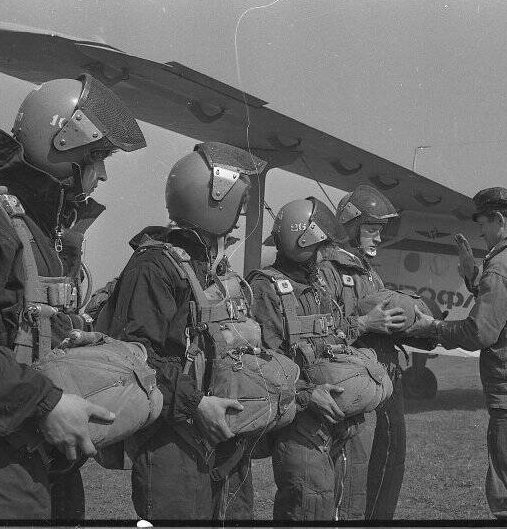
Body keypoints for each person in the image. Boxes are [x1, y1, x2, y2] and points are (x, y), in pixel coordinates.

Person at [0, 74, 146, 520]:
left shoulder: (37, 228)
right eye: (97, 157)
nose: (102, 173)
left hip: (41, 448)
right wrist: (45, 402)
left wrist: (70, 338)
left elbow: (15, 328)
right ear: (63, 143)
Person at [94, 142, 264, 520]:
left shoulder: (209, 269)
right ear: (216, 198)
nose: (241, 213)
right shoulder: (154, 267)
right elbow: (136, 357)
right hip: (175, 438)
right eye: (239, 201)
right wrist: (197, 403)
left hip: (221, 434)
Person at [406, 186, 507, 520]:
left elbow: (480, 332)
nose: (480, 231)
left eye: (483, 223)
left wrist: (432, 328)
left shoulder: (504, 263)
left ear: (500, 220)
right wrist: (472, 275)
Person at [248, 197, 375, 521]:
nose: (325, 256)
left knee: (348, 509)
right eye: (320, 247)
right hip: (300, 426)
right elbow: (264, 365)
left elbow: (333, 335)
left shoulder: (318, 286)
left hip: (338, 424)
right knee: (308, 509)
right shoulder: (266, 288)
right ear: (301, 243)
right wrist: (307, 394)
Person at [316, 184, 412, 520]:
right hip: (355, 390)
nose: (378, 239)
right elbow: (323, 335)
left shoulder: (369, 273)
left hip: (384, 384)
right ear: (352, 228)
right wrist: (364, 323)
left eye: (380, 231)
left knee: (389, 465)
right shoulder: (327, 271)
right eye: (371, 230)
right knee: (352, 480)